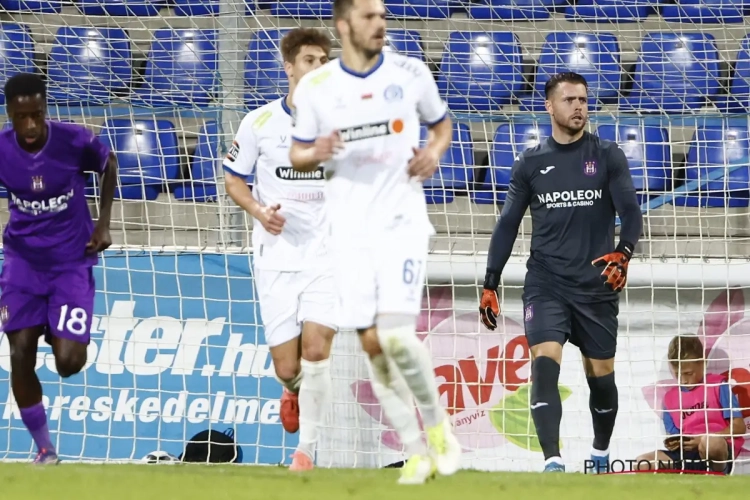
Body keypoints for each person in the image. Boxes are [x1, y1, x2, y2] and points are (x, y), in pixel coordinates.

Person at [288, 0, 461, 485]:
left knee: (397, 336)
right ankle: (415, 450)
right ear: (344, 25)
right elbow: (297, 153)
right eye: (369, 16)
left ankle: (438, 428)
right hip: (348, 231)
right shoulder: (317, 87)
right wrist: (316, 151)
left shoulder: (411, 73)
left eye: (383, 15)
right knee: (372, 346)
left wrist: (434, 152)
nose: (380, 23)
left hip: (401, 223)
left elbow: (442, 125)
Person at [478, 72, 643, 473]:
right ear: (550, 106)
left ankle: (600, 453)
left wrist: (624, 253)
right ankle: (553, 462)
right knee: (544, 361)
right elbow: (507, 224)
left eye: (583, 100)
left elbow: (631, 212)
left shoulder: (608, 155)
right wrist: (490, 281)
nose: (579, 107)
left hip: (596, 286)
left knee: (601, 376)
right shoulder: (530, 163)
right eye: (570, 100)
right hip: (546, 283)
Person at [223, 28, 337, 472]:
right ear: (289, 67)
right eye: (309, 60)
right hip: (276, 256)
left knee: (316, 350)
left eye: (324, 60)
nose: (318, 68)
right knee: (288, 366)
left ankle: (305, 451)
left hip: (328, 255)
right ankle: (291, 389)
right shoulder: (259, 122)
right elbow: (234, 177)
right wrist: (257, 210)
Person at [0, 73, 117, 464]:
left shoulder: (73, 140)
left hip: (70, 262)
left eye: (37, 114)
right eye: (22, 117)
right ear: (9, 114)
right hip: (22, 263)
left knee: (70, 363)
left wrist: (103, 222)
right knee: (19, 352)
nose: (30, 124)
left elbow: (109, 162)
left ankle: (55, 326)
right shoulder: (2, 149)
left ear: (45, 109)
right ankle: (45, 449)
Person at [635, 335, 745, 474]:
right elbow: (674, 435)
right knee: (642, 463)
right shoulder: (669, 399)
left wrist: (701, 439)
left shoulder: (718, 385)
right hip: (687, 455)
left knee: (711, 442)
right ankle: (685, 478)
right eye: (677, 374)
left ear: (702, 363)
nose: (683, 380)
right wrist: (676, 443)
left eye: (688, 373)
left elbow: (739, 427)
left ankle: (717, 476)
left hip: (715, 450)